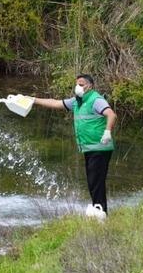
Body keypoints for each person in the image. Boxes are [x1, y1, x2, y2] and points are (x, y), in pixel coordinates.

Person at [28, 74, 116, 219]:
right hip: (90, 148)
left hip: (100, 147)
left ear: (90, 86)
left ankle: (101, 213)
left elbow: (111, 115)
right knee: (93, 181)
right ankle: (99, 210)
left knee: (96, 181)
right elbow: (55, 103)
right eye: (77, 84)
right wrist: (33, 100)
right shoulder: (77, 101)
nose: (78, 87)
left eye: (81, 84)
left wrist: (107, 132)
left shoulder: (96, 100)